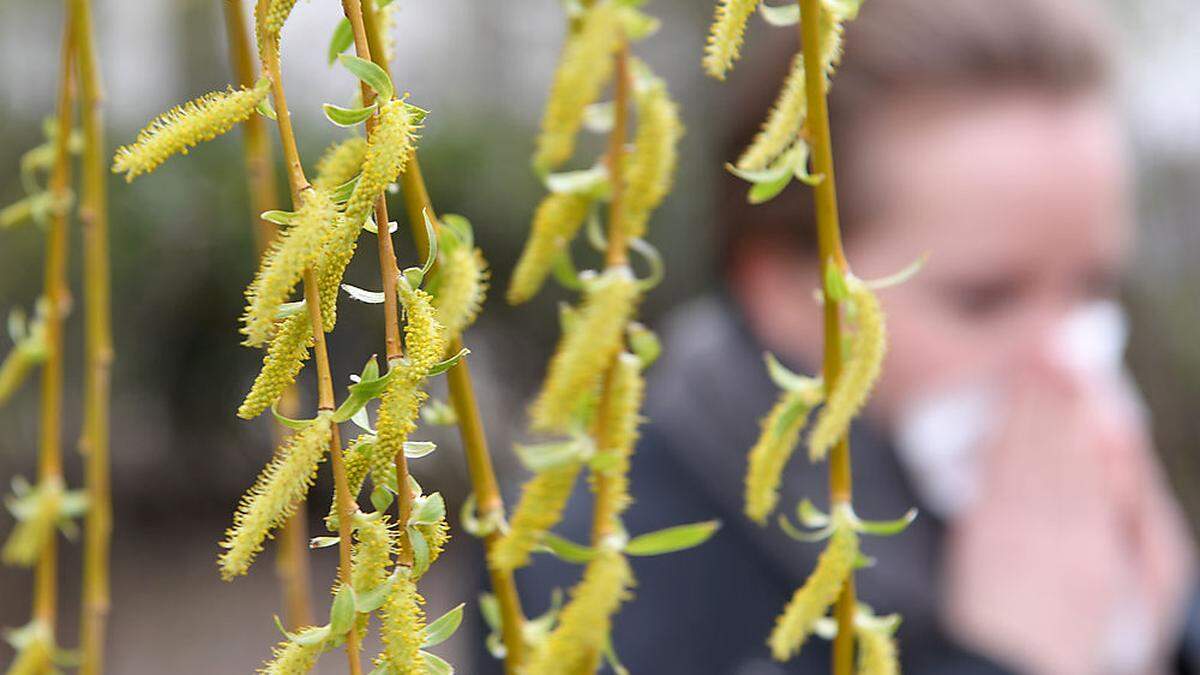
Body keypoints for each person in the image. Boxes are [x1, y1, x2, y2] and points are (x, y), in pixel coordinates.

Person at [510, 0, 1200, 673]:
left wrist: (1169, 628)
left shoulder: (1089, 526)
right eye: (984, 299)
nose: (1064, 360)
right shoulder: (597, 576)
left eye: (1095, 289)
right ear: (779, 283)